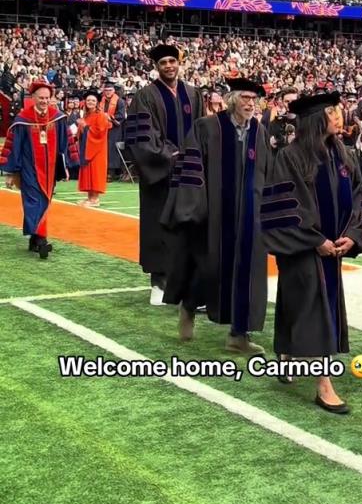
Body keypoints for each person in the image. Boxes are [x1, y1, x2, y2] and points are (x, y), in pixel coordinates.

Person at [263, 92, 362, 413]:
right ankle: (324, 385)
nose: (339, 116)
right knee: (312, 308)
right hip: (303, 247)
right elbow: (284, 206)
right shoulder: (291, 157)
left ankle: (286, 353)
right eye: (332, 112)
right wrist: (314, 239)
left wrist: (352, 235)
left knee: (300, 303)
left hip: (333, 248)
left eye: (338, 111)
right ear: (314, 120)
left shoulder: (343, 154)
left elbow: (360, 195)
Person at [161, 78, 271, 353]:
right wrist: (194, 208)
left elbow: (267, 172)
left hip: (249, 216)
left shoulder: (259, 131)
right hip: (212, 213)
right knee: (208, 269)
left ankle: (238, 335)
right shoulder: (207, 127)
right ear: (232, 99)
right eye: (245, 98)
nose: (250, 104)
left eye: (253, 99)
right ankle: (189, 305)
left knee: (248, 274)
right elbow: (190, 167)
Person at [126, 43, 204, 304]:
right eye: (163, 63)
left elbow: (202, 131)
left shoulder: (193, 94)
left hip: (190, 173)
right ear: (156, 67)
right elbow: (141, 135)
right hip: (161, 174)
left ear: (179, 63)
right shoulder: (144, 96)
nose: (169, 66)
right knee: (158, 226)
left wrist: (195, 156)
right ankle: (159, 282)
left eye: (172, 61)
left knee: (189, 226)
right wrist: (170, 155)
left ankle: (186, 283)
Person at [0, 81, 78, 259]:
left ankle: (34, 239)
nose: (44, 101)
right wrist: (11, 172)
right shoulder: (23, 119)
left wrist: (66, 166)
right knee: (33, 202)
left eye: (47, 98)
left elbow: (65, 142)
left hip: (50, 169)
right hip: (29, 168)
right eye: (41, 98)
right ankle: (41, 240)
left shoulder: (57, 118)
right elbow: (14, 146)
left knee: (44, 202)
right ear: (33, 98)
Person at [77, 89, 111, 208]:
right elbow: (83, 132)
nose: (90, 102)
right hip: (87, 147)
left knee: (95, 173)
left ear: (97, 103)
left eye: (93, 100)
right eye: (88, 100)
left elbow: (100, 132)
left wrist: (85, 126)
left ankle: (95, 199)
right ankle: (90, 197)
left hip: (97, 149)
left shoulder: (101, 115)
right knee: (88, 172)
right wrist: (81, 127)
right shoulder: (86, 115)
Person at [100, 78, 125, 181]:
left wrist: (110, 117)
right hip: (102, 128)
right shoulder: (101, 101)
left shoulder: (119, 101)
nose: (108, 92)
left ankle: (111, 173)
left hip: (114, 129)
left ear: (114, 90)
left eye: (110, 90)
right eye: (106, 90)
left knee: (112, 150)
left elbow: (121, 115)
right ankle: (102, 172)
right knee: (103, 149)